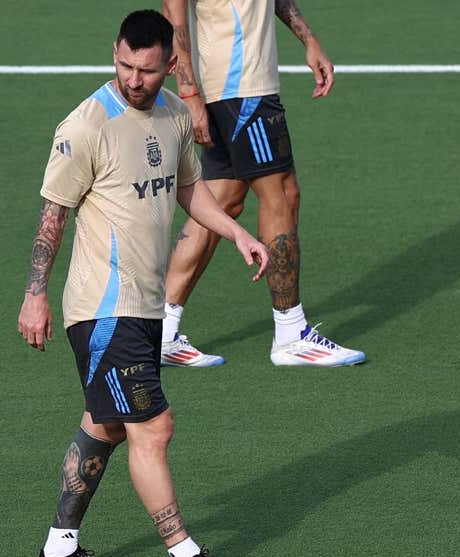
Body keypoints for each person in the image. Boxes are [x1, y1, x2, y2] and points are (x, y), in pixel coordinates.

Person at [17, 9, 269, 557]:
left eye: (147, 70)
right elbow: (53, 213)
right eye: (126, 65)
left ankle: (60, 548)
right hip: (104, 305)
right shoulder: (86, 125)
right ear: (115, 54)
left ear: (170, 65)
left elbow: (188, 190)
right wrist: (35, 294)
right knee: (152, 427)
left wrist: (237, 233)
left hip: (143, 306)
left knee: (105, 424)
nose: (134, 79)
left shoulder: (176, 115)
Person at [157, 0, 366, 368]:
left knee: (223, 200)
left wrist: (309, 39)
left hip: (238, 86)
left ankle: (161, 331)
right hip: (240, 88)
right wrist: (188, 94)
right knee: (282, 193)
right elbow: (174, 15)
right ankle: (290, 334)